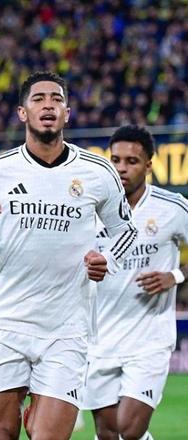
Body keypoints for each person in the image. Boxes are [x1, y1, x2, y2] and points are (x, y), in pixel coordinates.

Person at [0, 71, 139, 440]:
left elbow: (125, 233)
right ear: (22, 112)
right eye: (38, 99)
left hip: (67, 331)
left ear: (67, 113)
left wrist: (107, 261)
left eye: (56, 99)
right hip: (7, 326)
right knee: (1, 432)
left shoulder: (97, 172)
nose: (48, 105)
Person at [83, 125, 188, 440]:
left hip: (149, 339)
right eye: (115, 160)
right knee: (107, 434)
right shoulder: (90, 209)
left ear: (149, 165)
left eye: (131, 161)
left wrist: (175, 276)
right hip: (99, 338)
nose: (121, 168)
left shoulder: (172, 208)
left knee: (129, 429)